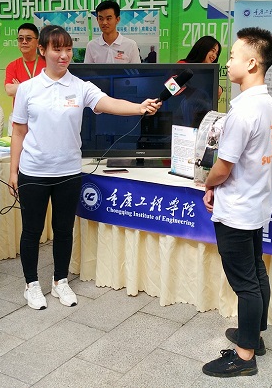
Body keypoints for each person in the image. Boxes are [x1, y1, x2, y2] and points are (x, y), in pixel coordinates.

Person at [10, 25, 160, 310]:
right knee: (31, 231)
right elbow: (18, 132)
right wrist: (12, 171)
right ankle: (31, 284)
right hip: (34, 171)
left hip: (68, 172)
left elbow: (110, 103)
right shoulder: (28, 89)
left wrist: (139, 107)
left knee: (64, 229)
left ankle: (60, 281)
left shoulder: (80, 86)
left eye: (68, 49)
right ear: (42, 50)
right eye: (57, 49)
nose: (64, 55)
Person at [201, 27, 272, 378]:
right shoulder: (266, 102)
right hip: (255, 204)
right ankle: (254, 335)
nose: (228, 62)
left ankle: (244, 356)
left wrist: (207, 184)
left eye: (232, 56)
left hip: (237, 208)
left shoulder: (244, 110)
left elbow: (223, 166)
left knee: (245, 282)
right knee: (256, 272)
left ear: (251, 64)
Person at [4, 22, 46, 100]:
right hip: (21, 108)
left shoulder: (47, 64)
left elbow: (49, 89)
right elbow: (9, 90)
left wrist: (20, 87)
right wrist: (38, 88)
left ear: (37, 42)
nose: (24, 42)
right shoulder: (12, 66)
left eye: (28, 38)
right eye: (20, 39)